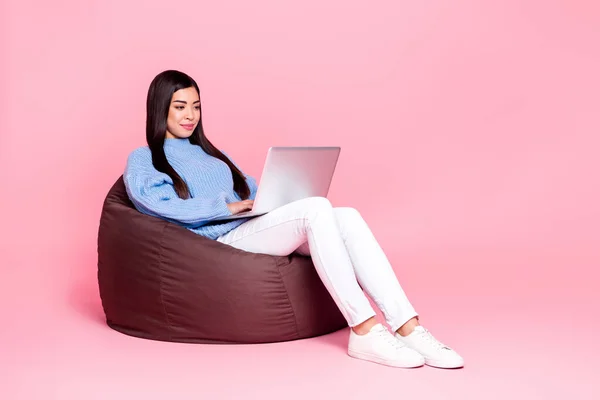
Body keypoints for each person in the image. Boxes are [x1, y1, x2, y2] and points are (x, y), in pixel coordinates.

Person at [123, 69, 464, 369]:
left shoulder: (213, 152)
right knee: (316, 209)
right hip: (217, 244)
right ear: (160, 108)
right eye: (180, 107)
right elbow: (155, 204)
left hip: (248, 228)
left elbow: (252, 189)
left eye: (196, 106)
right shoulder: (144, 158)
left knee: (346, 216)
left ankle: (407, 326)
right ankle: (363, 329)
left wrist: (270, 201)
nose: (190, 115)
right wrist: (227, 208)